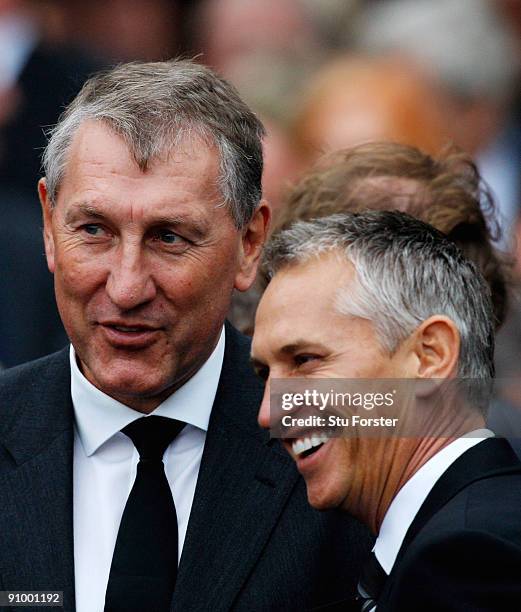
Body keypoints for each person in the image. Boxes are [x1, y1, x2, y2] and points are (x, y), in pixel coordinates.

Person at [0, 60, 369, 612]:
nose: (126, 287)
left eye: (169, 237)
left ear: (249, 244)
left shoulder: (347, 441)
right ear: (49, 226)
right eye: (94, 230)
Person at [252, 211, 521, 610]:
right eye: (263, 373)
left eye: (305, 360)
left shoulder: (469, 556)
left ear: (430, 356)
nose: (269, 413)